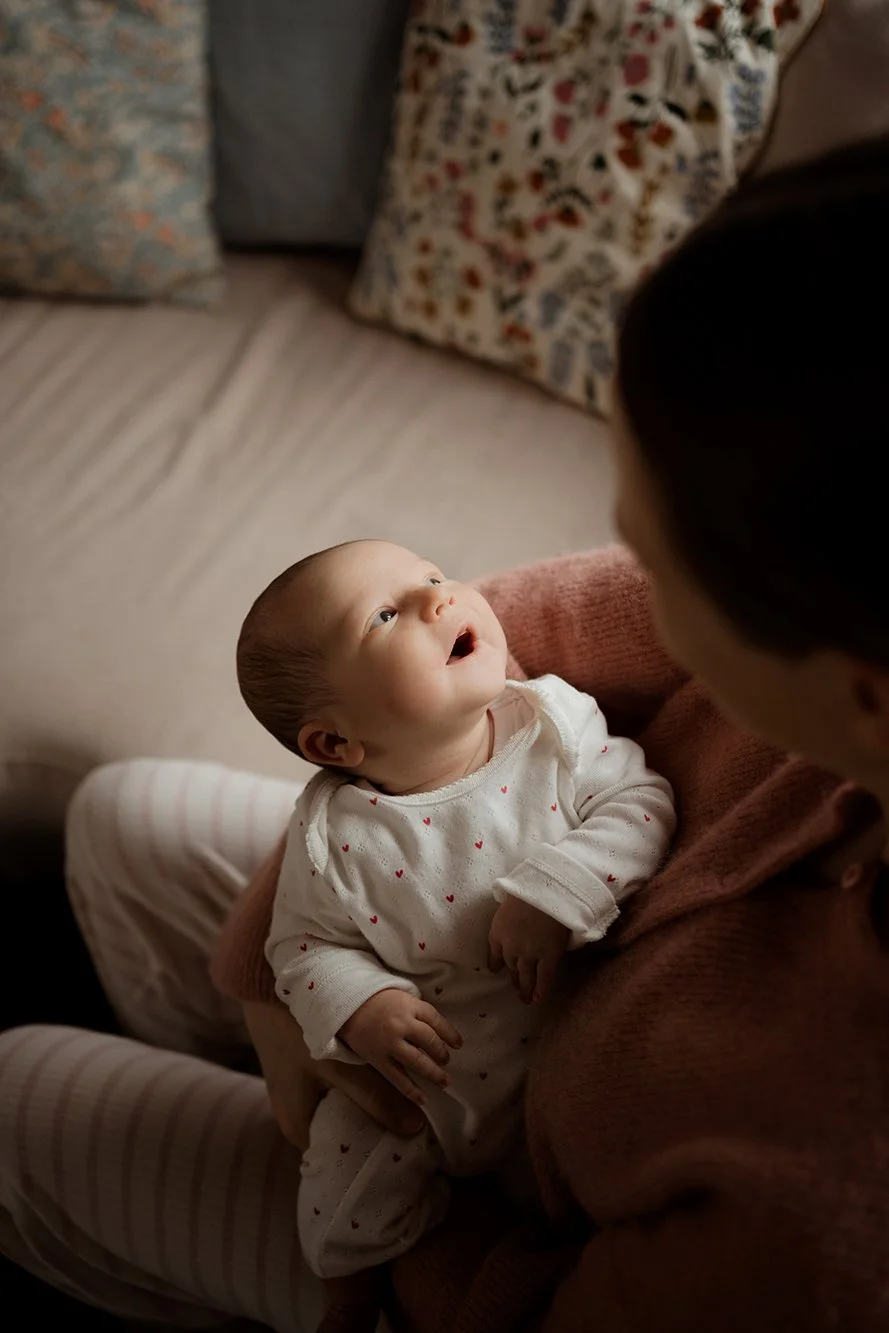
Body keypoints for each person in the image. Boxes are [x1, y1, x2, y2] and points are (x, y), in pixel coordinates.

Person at [2, 133, 888, 1332]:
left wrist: (362, 1169)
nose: (623, 573)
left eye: (656, 553)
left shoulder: (829, 1212)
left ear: (859, 693)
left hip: (467, 1211)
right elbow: (512, 623)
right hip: (392, 991)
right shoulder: (816, 620)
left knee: (20, 1098)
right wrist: (282, 1015)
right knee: (117, 813)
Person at [236, 540, 675, 1329]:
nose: (440, 598)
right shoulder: (332, 835)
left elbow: (640, 804)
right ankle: (349, 1295)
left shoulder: (550, 724)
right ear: (333, 744)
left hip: (555, 1077)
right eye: (384, 613)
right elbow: (298, 948)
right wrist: (360, 1005)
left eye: (433, 577)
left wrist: (558, 888)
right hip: (423, 1084)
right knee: (339, 1182)